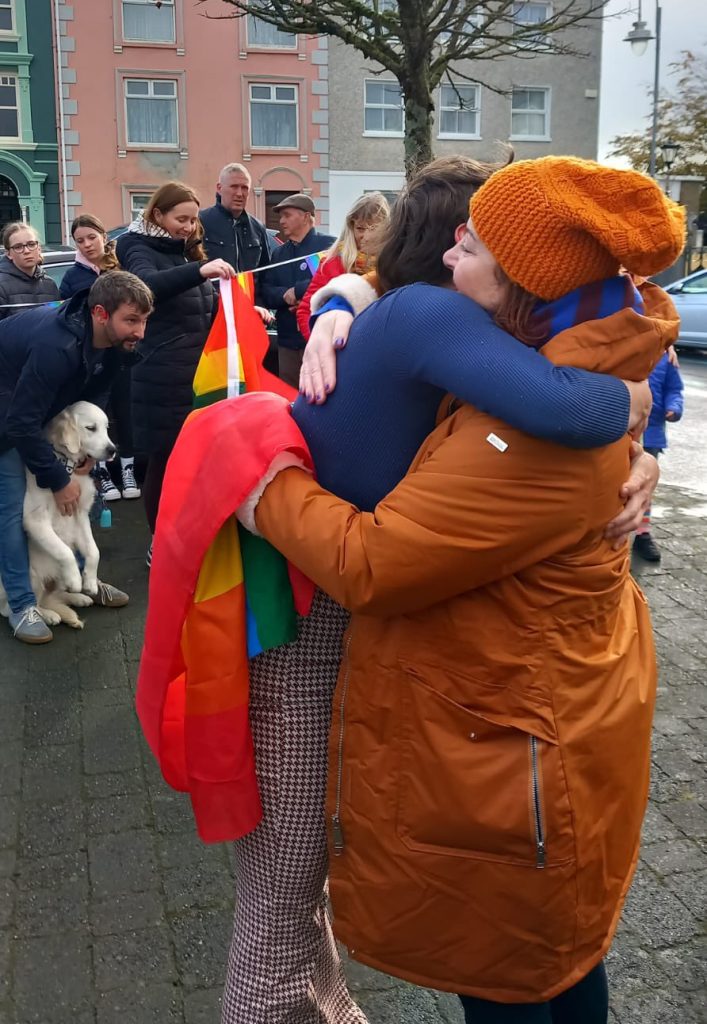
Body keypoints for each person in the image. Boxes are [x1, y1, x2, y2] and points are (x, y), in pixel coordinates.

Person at [216, 155, 660, 1024]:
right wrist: (342, 303)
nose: (459, 245)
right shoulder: (449, 328)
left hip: (501, 737)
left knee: (511, 969)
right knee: (287, 895)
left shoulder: (504, 384)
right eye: (461, 230)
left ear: (527, 278)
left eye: (481, 239)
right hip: (355, 651)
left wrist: (255, 480)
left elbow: (378, 563)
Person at [0, 271, 153, 643]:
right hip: (7, 412)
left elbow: (93, 399)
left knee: (73, 497)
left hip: (35, 405)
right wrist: (57, 478)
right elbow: (20, 424)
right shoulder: (57, 346)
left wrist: (84, 453)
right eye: (131, 321)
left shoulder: (115, 346)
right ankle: (20, 606)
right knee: (13, 507)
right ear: (101, 313)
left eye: (144, 321)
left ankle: (86, 581)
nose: (140, 332)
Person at [116, 181, 235, 565]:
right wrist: (201, 270)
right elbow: (147, 287)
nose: (188, 226)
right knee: (164, 464)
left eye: (192, 219)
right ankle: (159, 542)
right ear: (157, 215)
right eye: (180, 219)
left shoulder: (183, 251)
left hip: (194, 375)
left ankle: (187, 534)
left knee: (194, 463)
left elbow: (199, 307)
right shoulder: (136, 247)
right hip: (160, 377)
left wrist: (241, 309)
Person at [61, 214, 140, 503]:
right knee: (99, 413)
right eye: (79, 240)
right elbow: (68, 316)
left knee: (126, 410)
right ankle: (103, 474)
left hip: (124, 353)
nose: (86, 244)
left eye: (91, 237)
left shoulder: (120, 267)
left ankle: (128, 470)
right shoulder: (72, 277)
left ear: (103, 236)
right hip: (92, 357)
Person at [258, 193, 335, 388]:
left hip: (321, 338)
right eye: (281, 216)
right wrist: (286, 296)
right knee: (290, 396)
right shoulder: (279, 253)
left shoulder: (330, 246)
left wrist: (300, 292)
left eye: (287, 215)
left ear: (306, 216)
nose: (281, 221)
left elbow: (335, 281)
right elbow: (266, 291)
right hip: (288, 343)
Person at [296, 191, 389, 341]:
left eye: (373, 228)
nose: (365, 236)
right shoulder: (333, 262)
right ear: (351, 227)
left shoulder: (394, 264)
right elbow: (306, 310)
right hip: (340, 351)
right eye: (360, 228)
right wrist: (320, 345)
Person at [633, 350, 685, 562]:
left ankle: (642, 534)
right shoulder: (628, 350)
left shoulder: (667, 359)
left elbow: (674, 389)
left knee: (644, 488)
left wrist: (674, 407)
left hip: (651, 436)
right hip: (623, 432)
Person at [200, 162, 272, 273]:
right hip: (214, 290)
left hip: (249, 290)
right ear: (219, 188)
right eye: (234, 187)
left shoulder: (257, 227)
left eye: (244, 188)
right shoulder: (201, 222)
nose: (239, 193)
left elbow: (266, 272)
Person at [0, 222, 59, 320]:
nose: (27, 251)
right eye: (18, 247)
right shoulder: (2, 286)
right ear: (9, 254)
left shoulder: (50, 285)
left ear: (39, 248)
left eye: (31, 244)